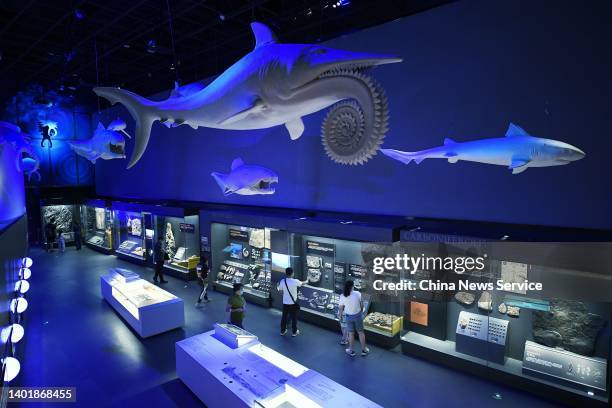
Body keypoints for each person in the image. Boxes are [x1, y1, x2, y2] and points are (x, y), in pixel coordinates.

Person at [338, 280, 369, 357]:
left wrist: (340, 316)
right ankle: (364, 350)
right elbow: (361, 305)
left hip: (348, 317)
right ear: (352, 286)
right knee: (361, 333)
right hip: (358, 316)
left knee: (351, 334)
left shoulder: (342, 295)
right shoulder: (357, 294)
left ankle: (351, 350)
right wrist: (361, 311)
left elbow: (341, 307)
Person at [277, 267, 308, 337]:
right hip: (293, 303)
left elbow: (280, 291)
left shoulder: (282, 281)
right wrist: (307, 280)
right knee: (294, 318)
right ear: (292, 273)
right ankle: (294, 332)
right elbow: (303, 283)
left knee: (284, 317)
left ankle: (282, 331)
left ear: (286, 273)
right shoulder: (295, 281)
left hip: (285, 302)